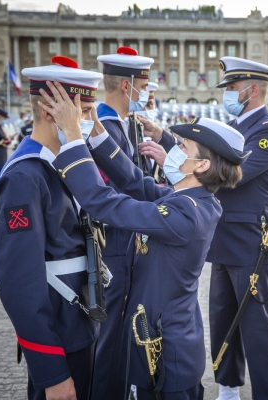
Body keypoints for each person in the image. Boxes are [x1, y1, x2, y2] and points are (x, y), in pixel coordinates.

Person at [43, 74, 248, 399]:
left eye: (183, 147)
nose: (174, 150)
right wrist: (95, 129)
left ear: (202, 164)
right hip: (163, 337)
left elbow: (106, 204)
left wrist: (72, 137)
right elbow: (135, 182)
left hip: (165, 350)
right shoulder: (190, 199)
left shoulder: (187, 213)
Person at [0, 56, 102, 400]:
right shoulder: (25, 176)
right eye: (82, 114)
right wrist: (51, 370)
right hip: (60, 336)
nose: (87, 123)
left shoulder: (60, 164)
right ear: (54, 113)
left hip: (81, 327)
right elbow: (18, 282)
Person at [93, 45, 177, 400]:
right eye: (144, 84)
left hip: (128, 243)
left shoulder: (125, 124)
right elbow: (119, 189)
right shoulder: (105, 128)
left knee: (123, 335)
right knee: (110, 338)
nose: (149, 91)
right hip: (113, 245)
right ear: (127, 86)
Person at [209, 56, 268, 400]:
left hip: (252, 243)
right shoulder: (235, 128)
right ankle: (228, 387)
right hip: (224, 237)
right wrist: (166, 139)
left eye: (232, 87)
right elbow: (205, 156)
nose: (227, 93)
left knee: (255, 327)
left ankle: (266, 394)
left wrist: (179, 164)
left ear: (252, 90)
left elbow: (235, 176)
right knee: (222, 318)